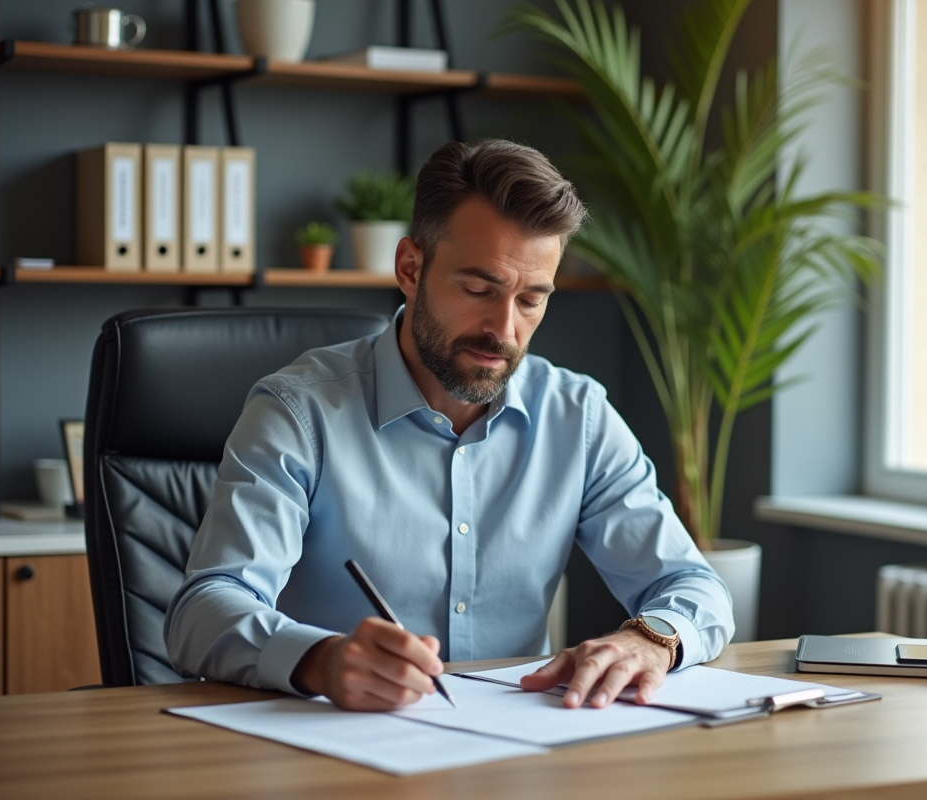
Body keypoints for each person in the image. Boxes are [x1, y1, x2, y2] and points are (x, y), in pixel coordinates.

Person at [164, 139, 733, 712]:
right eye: (478, 290)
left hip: (513, 750)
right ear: (410, 268)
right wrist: (320, 659)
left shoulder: (577, 416)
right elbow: (203, 611)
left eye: (532, 300)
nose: (504, 330)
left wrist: (651, 638)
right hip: (331, 748)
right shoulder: (297, 412)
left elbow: (695, 586)